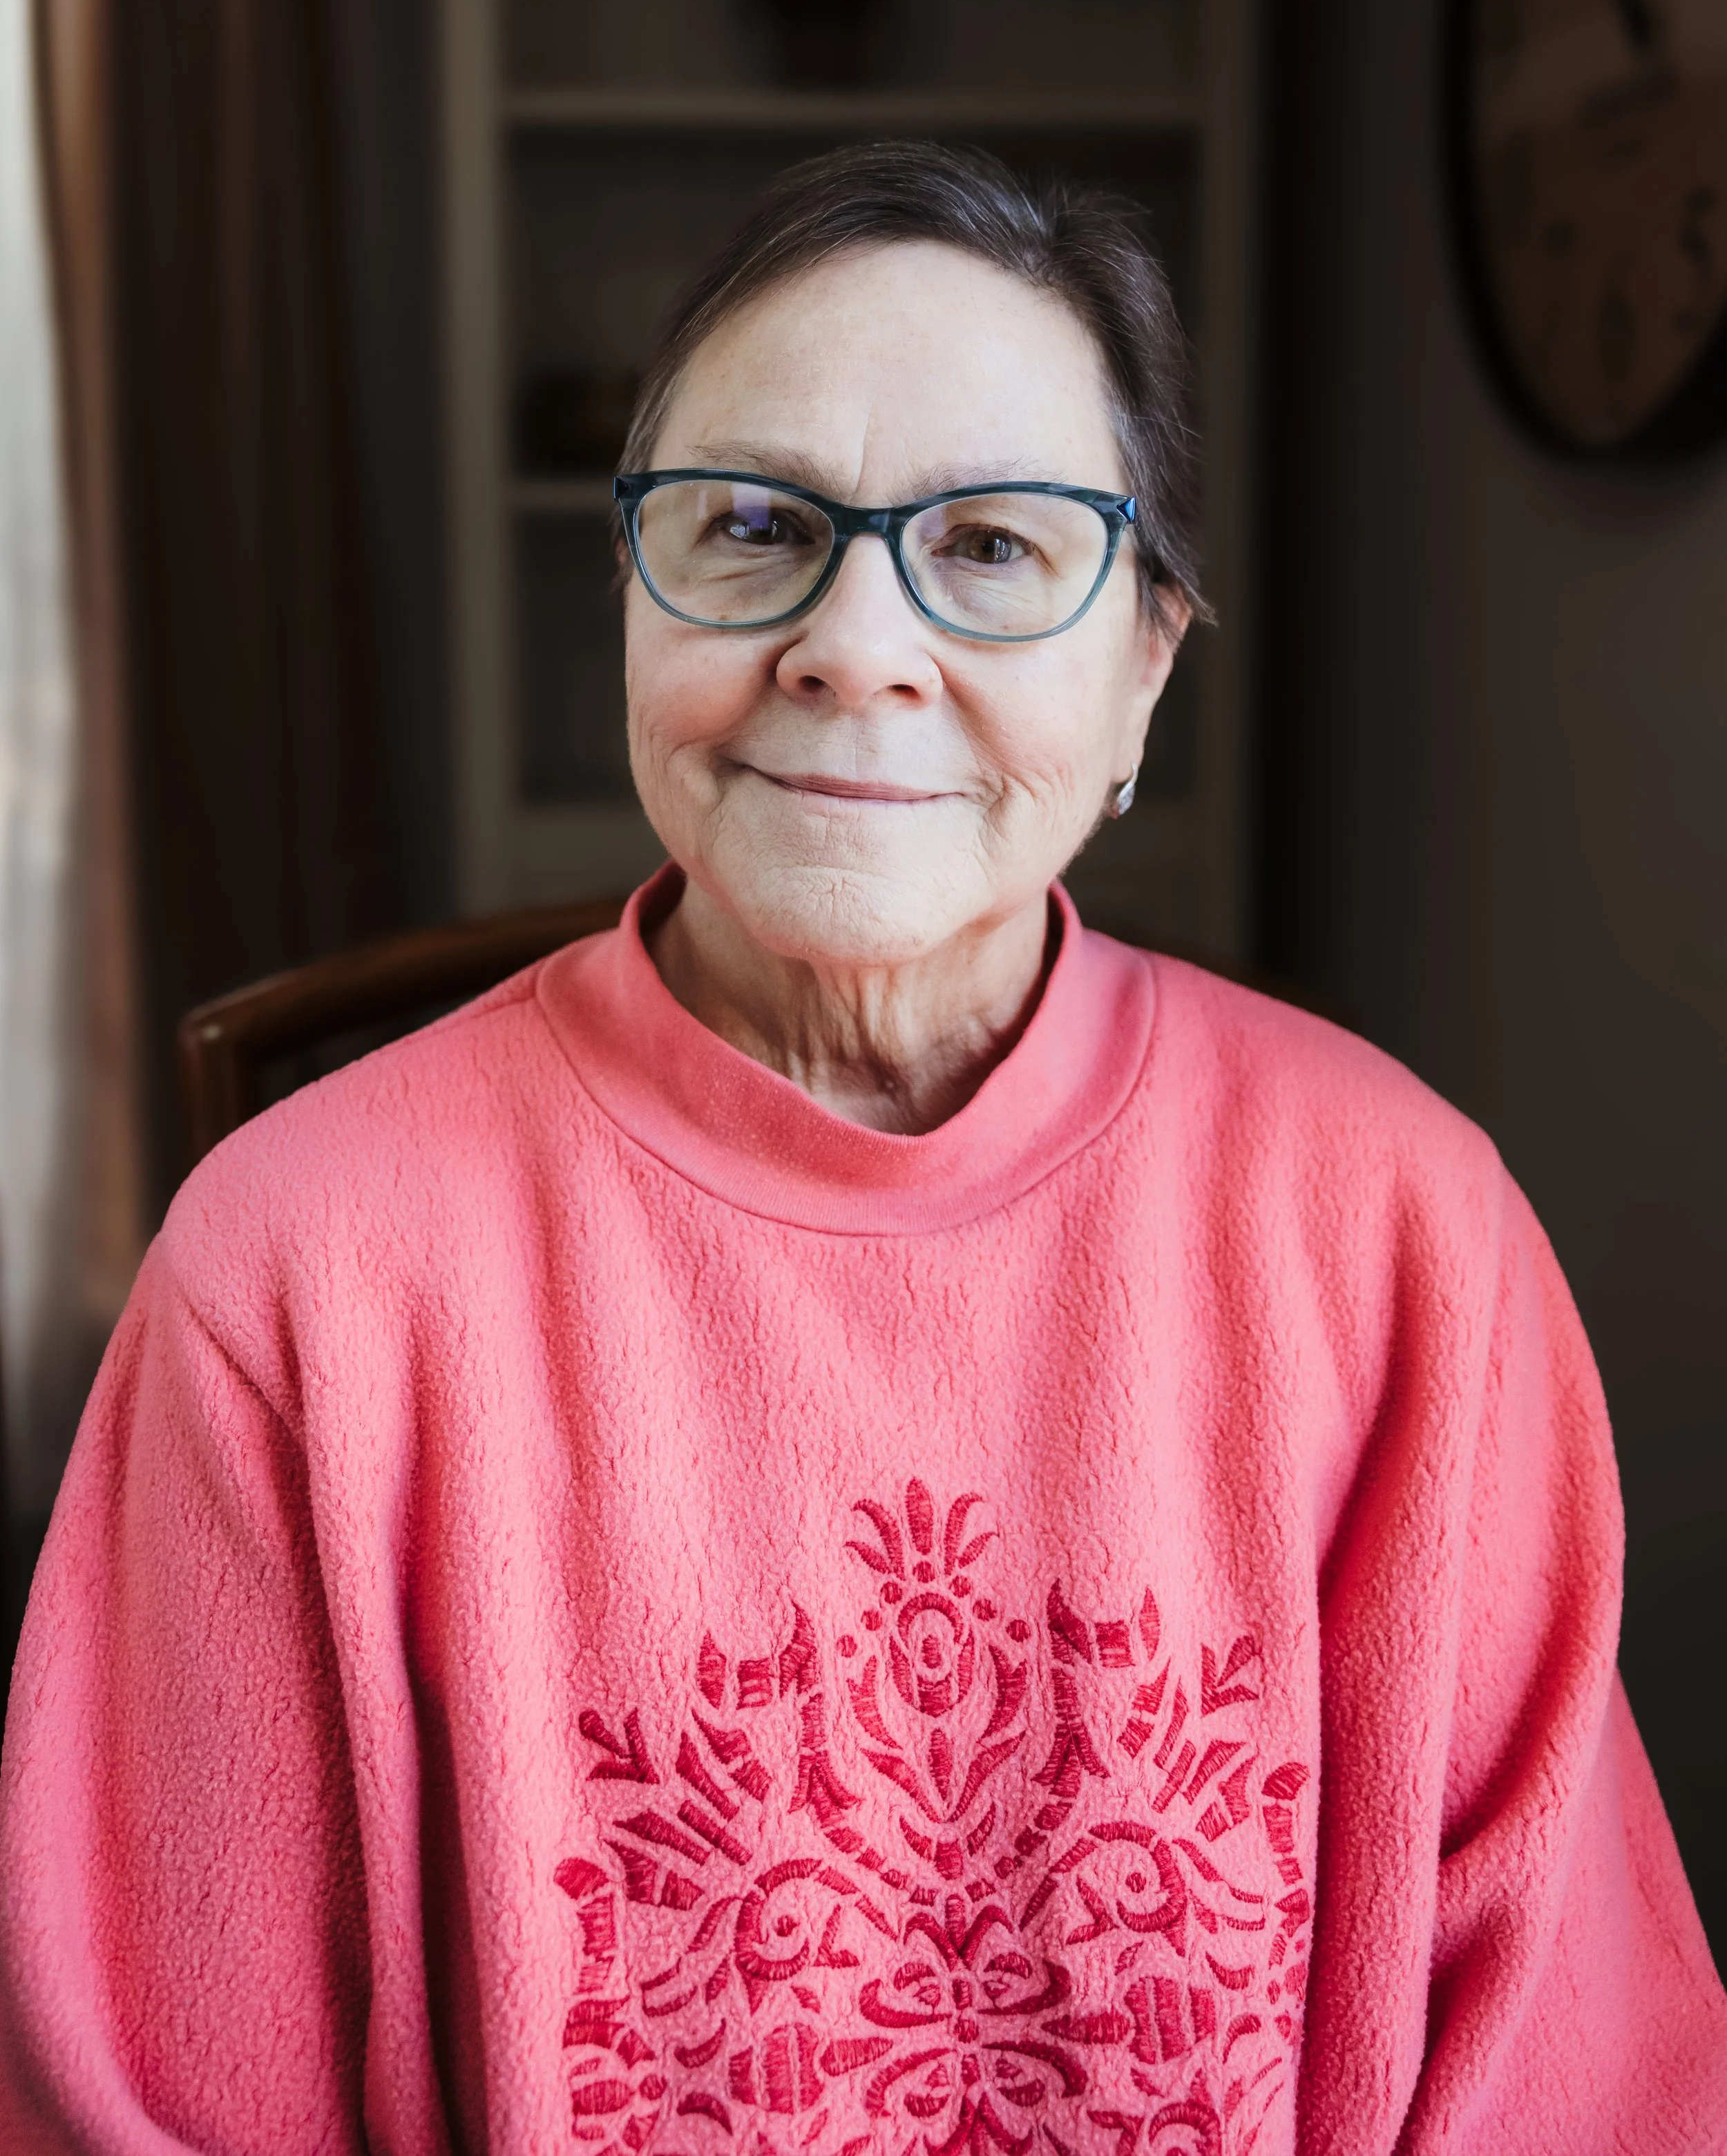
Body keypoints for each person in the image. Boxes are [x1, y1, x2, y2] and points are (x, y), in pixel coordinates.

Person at [1, 142, 1721, 2156]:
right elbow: (150, 2104)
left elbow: (1574, 2090)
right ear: (631, 598)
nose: (852, 640)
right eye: (750, 526)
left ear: (1145, 665)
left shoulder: (1403, 1231)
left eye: (992, 545)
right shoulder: (291, 1267)